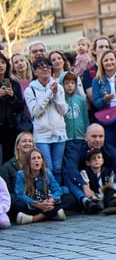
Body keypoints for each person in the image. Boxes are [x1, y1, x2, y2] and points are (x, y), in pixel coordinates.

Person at [63, 123, 116, 213]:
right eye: (94, 136)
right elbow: (70, 168)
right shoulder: (77, 150)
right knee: (69, 177)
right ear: (85, 137)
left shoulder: (108, 149)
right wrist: (84, 187)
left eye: (101, 136)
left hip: (105, 185)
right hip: (85, 186)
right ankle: (86, 202)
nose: (98, 140)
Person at [25, 56, 68, 184]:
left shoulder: (58, 87)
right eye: (41, 67)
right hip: (42, 135)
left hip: (59, 132)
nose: (45, 69)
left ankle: (58, 195)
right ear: (35, 71)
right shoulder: (30, 90)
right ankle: (48, 194)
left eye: (48, 67)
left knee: (58, 168)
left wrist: (55, 95)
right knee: (47, 167)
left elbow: (64, 110)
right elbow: (35, 112)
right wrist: (49, 93)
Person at [14, 148, 72, 224]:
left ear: (42, 161)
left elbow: (57, 190)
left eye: (39, 158)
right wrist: (37, 204)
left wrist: (51, 201)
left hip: (47, 202)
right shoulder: (21, 174)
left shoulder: (47, 172)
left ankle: (34, 218)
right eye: (33, 158)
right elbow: (20, 194)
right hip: (33, 204)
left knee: (69, 198)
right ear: (28, 162)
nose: (36, 160)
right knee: (17, 204)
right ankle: (53, 213)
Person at [0, 132, 34, 222]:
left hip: (36, 198)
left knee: (67, 196)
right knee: (18, 204)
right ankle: (45, 213)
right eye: (24, 141)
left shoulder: (38, 163)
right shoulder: (7, 167)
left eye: (30, 141)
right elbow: (6, 193)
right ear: (17, 145)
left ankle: (33, 216)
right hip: (18, 200)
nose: (27, 143)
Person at [0, 53, 24, 163]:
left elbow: (20, 107)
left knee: (10, 158)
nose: (1, 65)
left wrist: (12, 96)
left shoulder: (14, 84)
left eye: (3, 62)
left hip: (11, 127)